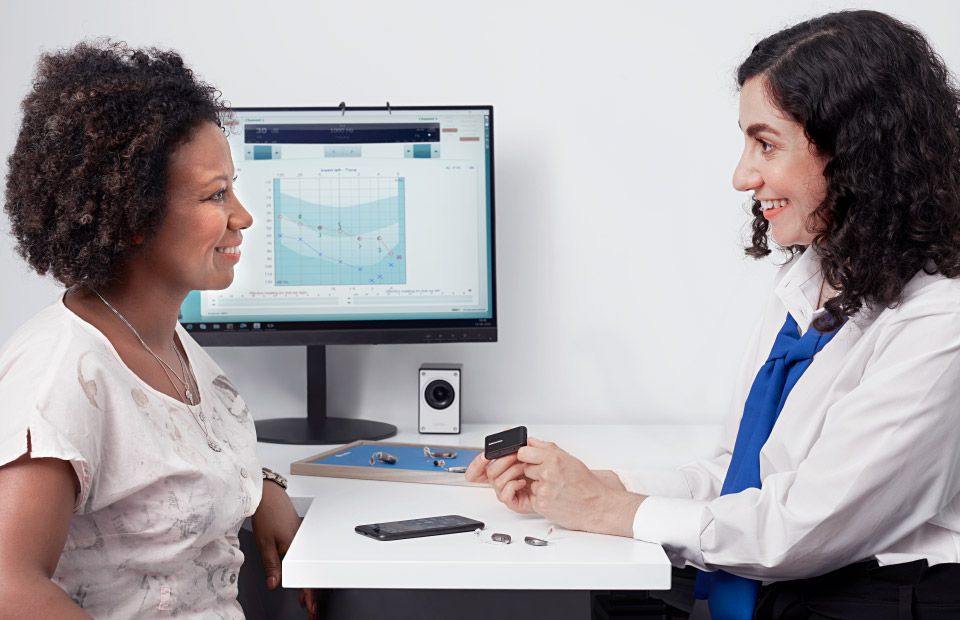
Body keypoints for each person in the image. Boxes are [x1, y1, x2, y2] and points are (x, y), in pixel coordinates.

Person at [467, 10, 960, 619]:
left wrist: (605, 509)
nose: (741, 176)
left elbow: (795, 530)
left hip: (877, 597)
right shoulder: (810, 284)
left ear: (859, 153)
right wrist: (589, 486)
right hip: (799, 582)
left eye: (766, 143)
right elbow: (742, 478)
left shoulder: (941, 322)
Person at [0, 41, 317, 618]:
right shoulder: (63, 375)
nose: (242, 216)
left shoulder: (163, 338)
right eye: (216, 194)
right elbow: (8, 586)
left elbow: (180, 453)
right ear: (136, 216)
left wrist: (263, 490)